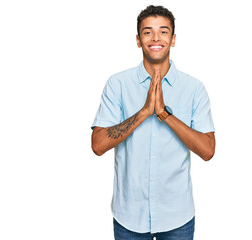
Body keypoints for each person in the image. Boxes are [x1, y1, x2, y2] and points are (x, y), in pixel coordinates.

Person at [91, 5, 215, 240]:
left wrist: (164, 115)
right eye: (148, 32)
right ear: (138, 40)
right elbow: (98, 145)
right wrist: (144, 112)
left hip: (177, 216)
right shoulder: (117, 85)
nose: (156, 38)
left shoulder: (194, 89)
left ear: (174, 39)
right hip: (129, 216)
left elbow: (208, 150)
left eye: (163, 31)